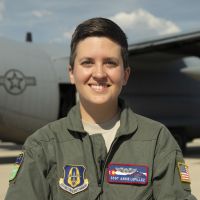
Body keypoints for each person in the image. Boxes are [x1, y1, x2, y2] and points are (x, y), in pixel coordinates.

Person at [5, 17, 197, 200]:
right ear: (72, 73)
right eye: (87, 62)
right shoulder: (41, 145)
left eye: (110, 63)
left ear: (125, 74)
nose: (99, 74)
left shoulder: (157, 141)